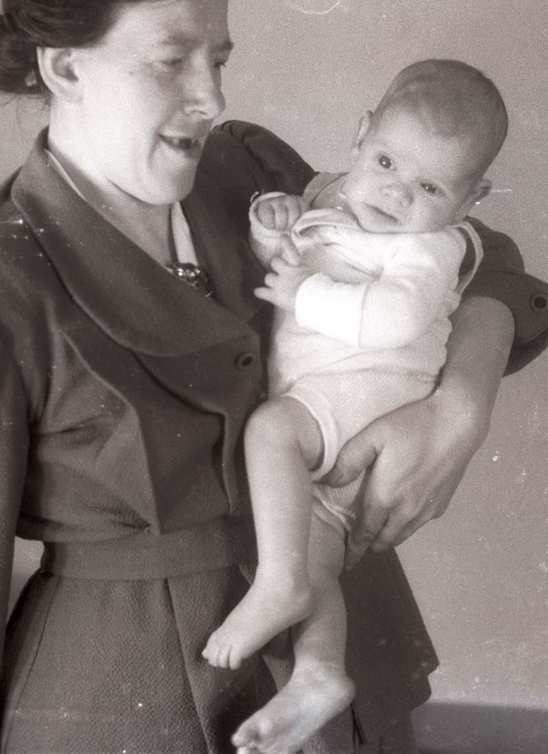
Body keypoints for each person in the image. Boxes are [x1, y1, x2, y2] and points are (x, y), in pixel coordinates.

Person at [0, 0, 548, 754]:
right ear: (65, 68)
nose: (210, 95)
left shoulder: (247, 170)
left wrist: (460, 407)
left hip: (345, 667)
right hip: (139, 702)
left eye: (219, 58)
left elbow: (472, 251)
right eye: (171, 61)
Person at [203, 60, 510, 754]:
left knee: (271, 432)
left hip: (370, 396)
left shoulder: (431, 247)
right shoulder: (331, 196)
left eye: (429, 187)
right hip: (335, 410)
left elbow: (396, 317)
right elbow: (290, 257)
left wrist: (302, 295)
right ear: (361, 135)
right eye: (387, 163)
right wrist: (272, 226)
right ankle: (318, 673)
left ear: (472, 199)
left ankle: (276, 584)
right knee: (316, 557)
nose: (397, 194)